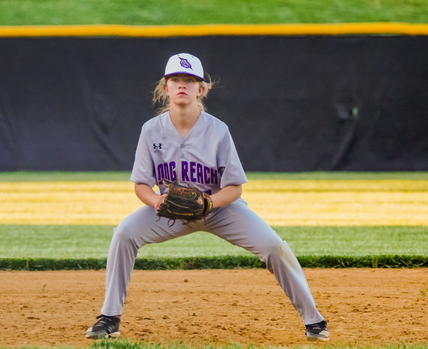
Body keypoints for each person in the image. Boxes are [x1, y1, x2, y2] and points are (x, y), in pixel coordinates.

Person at [86, 53, 329, 342]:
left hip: (221, 210)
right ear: (165, 87)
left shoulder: (218, 130)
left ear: (201, 89)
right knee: (124, 233)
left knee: (273, 246)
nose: (182, 85)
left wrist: (209, 203)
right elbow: (140, 184)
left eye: (190, 80)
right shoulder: (151, 131)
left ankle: (314, 320)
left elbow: (235, 188)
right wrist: (155, 202)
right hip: (170, 212)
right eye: (175, 79)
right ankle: (109, 318)